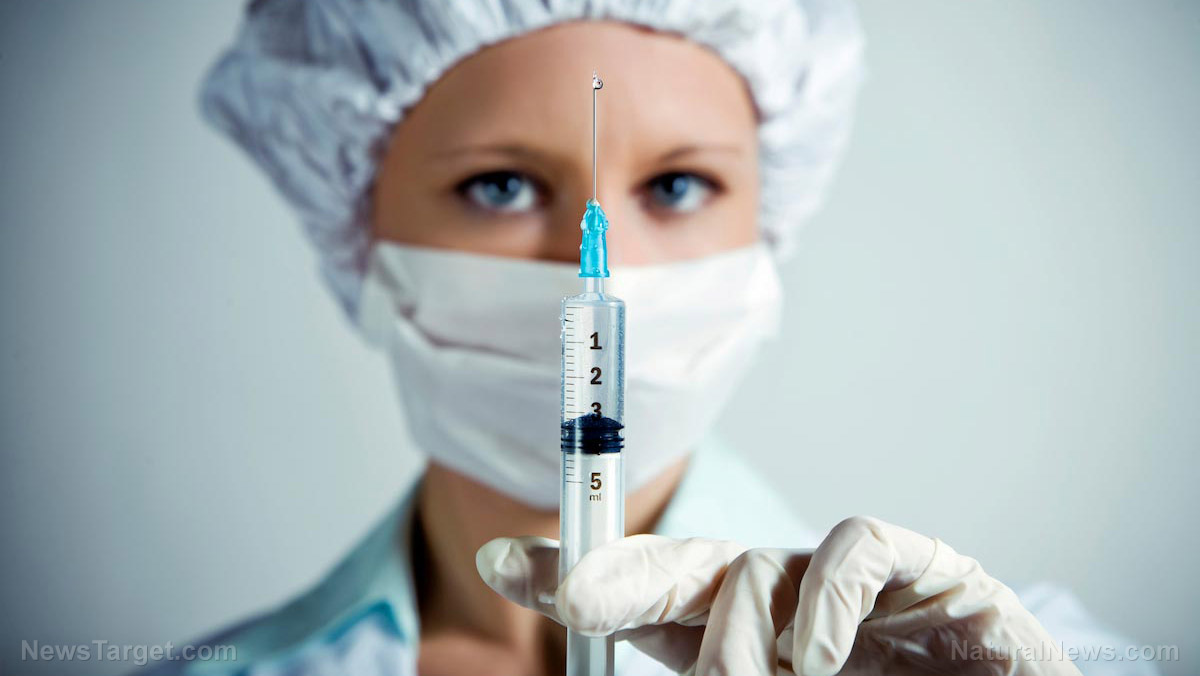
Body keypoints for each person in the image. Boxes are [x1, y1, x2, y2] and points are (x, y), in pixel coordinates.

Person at [155, 1, 1156, 675]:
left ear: (769, 219)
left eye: (679, 185)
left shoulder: (984, 656)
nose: (608, 264)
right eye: (499, 185)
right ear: (355, 225)